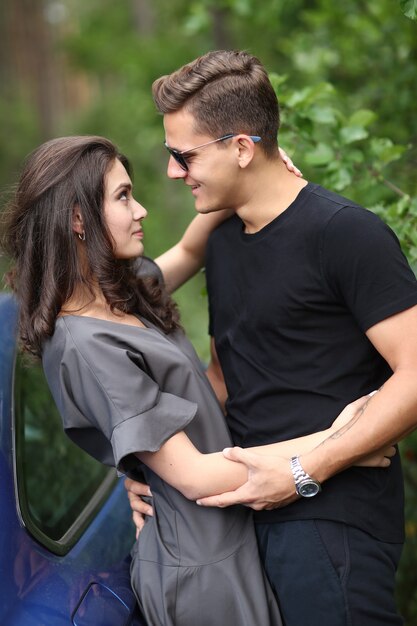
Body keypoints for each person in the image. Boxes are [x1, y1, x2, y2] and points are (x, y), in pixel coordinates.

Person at [2, 135, 388, 625]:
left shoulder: (119, 290)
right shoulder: (85, 346)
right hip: (206, 574)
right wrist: (344, 441)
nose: (140, 209)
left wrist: (250, 172)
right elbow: (195, 475)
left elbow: (188, 249)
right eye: (122, 197)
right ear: (78, 219)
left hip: (234, 533)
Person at [125, 50, 417, 626]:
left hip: (332, 522)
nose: (173, 173)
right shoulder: (224, 239)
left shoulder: (345, 233)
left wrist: (304, 471)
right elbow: (223, 383)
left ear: (240, 147)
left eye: (183, 156)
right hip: (245, 516)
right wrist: (150, 473)